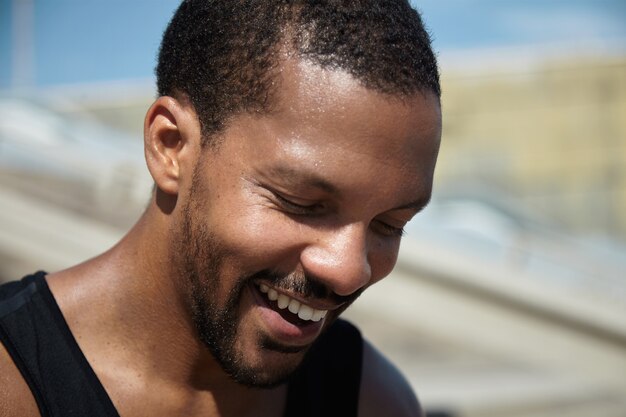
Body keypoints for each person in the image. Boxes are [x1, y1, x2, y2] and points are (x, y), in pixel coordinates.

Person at [0, 0, 441, 416]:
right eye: (302, 204)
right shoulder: (12, 384)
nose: (349, 272)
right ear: (170, 146)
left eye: (390, 224)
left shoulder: (371, 401)